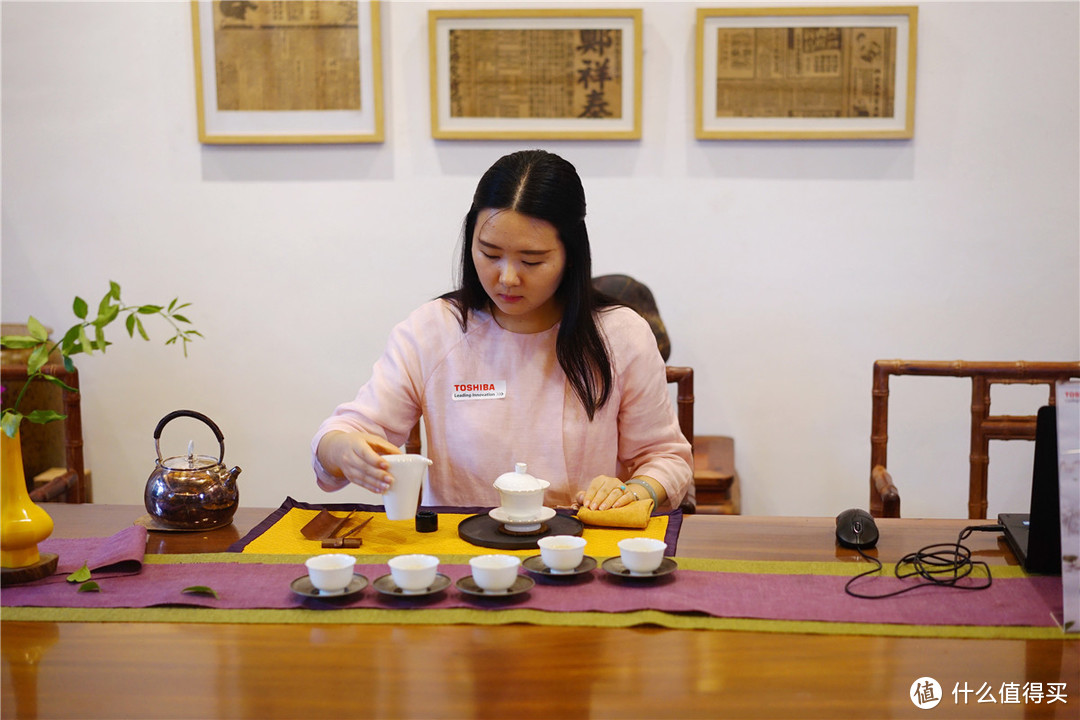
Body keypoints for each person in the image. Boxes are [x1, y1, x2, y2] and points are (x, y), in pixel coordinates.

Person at [312, 149, 692, 512]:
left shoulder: (621, 336)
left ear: (570, 256)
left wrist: (634, 490)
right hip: (459, 553)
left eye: (532, 260)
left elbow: (666, 459)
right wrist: (343, 449)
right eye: (490, 254)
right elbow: (346, 431)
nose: (507, 278)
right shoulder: (433, 331)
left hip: (577, 550)